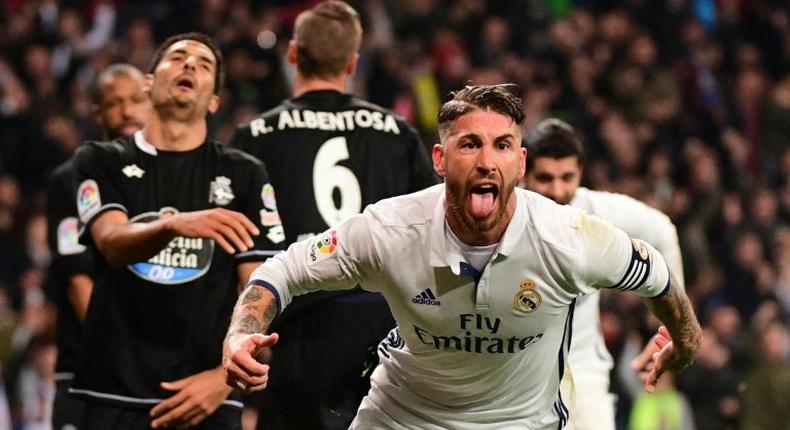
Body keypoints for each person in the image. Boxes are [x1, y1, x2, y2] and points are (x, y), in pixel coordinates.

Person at [222, 84, 702, 429]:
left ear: (521, 163)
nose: (487, 161)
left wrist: (686, 340)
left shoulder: (568, 238)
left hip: (519, 422)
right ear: (439, 159)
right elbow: (283, 269)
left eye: (503, 146)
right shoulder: (393, 230)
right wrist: (242, 333)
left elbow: (655, 275)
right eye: (469, 144)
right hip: (402, 417)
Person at [227, 2, 436, 428]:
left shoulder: (255, 136)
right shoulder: (397, 133)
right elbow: (428, 234)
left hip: (295, 324)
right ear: (353, 62)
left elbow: (239, 240)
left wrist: (251, 326)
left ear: (292, 55)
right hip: (383, 327)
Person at [70, 32, 285, 429]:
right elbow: (111, 243)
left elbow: (261, 286)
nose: (190, 65)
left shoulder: (244, 174)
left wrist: (225, 378)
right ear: (148, 83)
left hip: (206, 396)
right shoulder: (100, 160)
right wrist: (176, 224)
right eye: (178, 57)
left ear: (214, 99)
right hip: (113, 393)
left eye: (204, 65)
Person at [521, 118, 686, 430]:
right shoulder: (506, 219)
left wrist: (671, 319)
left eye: (567, 177)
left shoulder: (596, 211)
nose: (557, 190)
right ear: (524, 172)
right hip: (517, 378)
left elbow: (663, 230)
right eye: (545, 178)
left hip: (584, 374)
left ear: (580, 172)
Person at [45, 63, 150, 430]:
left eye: (137, 100)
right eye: (114, 102)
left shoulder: (166, 175)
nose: (127, 112)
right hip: (87, 373)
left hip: (156, 376)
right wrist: (134, 357)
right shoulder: (69, 180)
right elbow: (77, 282)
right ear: (97, 112)